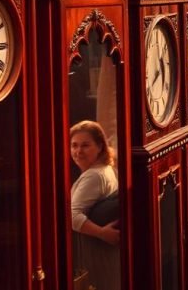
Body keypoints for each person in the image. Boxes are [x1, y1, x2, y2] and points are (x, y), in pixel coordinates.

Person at [70, 121, 120, 290]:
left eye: (85, 145)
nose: (78, 151)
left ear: (100, 146)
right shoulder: (106, 168)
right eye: (74, 145)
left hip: (92, 256)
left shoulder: (94, 176)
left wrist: (102, 233)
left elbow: (72, 216)